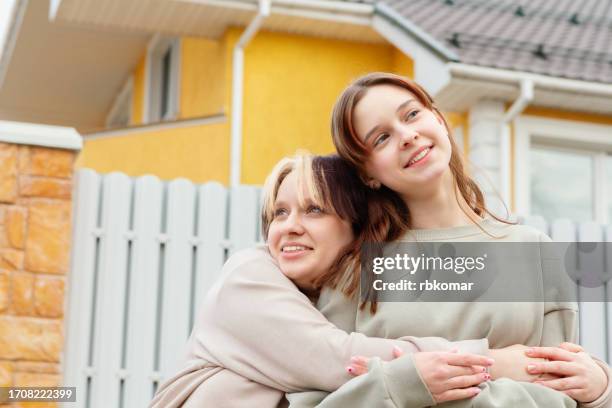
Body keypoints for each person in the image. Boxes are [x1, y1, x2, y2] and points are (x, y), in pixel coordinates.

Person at [284, 72, 612, 407]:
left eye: (412, 114)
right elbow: (315, 402)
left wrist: (602, 389)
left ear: (439, 120)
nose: (407, 135)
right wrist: (408, 382)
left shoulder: (533, 251)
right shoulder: (355, 271)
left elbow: (561, 391)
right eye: (381, 138)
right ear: (367, 173)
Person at [151, 152, 521, 408]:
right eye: (280, 212)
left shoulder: (346, 296)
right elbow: (336, 359)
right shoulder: (247, 276)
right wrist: (492, 362)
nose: (290, 226)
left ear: (355, 228)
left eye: (314, 210)